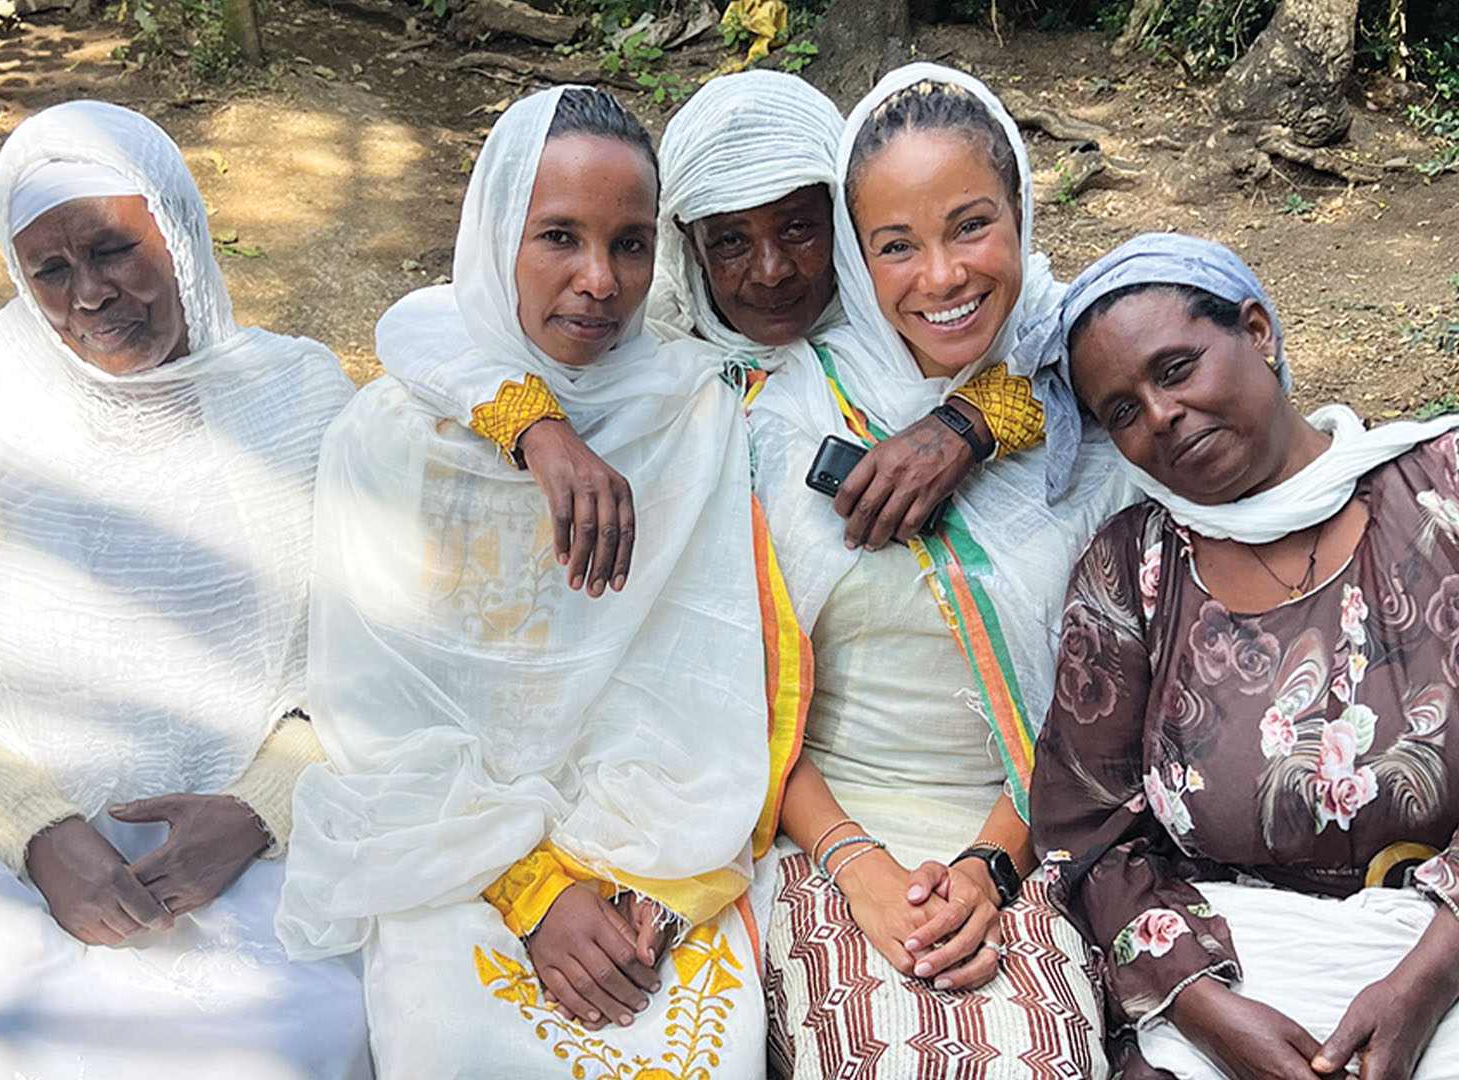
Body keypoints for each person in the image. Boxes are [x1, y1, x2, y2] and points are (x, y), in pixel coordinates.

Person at [0, 100, 369, 1080]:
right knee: (14, 1051)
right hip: (21, 854)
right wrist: (42, 838)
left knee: (300, 1044)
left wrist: (256, 810)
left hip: (260, 845)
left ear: (179, 227)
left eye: (116, 248)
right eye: (49, 269)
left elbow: (376, 657)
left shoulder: (298, 401)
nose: (90, 294)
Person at [278, 86, 803, 1078]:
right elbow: (376, 717)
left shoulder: (692, 415)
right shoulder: (393, 441)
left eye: (632, 244)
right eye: (557, 236)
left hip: (655, 847)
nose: (600, 281)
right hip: (447, 849)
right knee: (458, 1045)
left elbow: (699, 684)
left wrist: (623, 885)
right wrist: (529, 887)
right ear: (490, 239)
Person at [746, 63, 1129, 1075]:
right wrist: (857, 865)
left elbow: (1114, 693)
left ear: (1024, 211)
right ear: (858, 260)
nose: (944, 276)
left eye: (971, 225)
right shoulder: (788, 419)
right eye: (895, 246)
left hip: (1039, 829)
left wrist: (992, 863)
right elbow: (743, 691)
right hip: (819, 829)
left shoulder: (1091, 399)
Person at [1024, 232, 1459, 1080]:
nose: (1157, 417)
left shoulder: (1442, 492)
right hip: (1239, 974)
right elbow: (1088, 834)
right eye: (1120, 410)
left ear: (1257, 331)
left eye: (1176, 368)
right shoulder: (1133, 572)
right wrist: (1203, 1008)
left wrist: (1429, 976)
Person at [372, 70, 1049, 598]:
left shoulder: (904, 319)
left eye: (799, 227)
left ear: (844, 221)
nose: (771, 269)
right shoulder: (660, 330)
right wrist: (539, 428)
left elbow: (1068, 331)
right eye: (729, 240)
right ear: (687, 248)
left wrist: (967, 422)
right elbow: (428, 323)